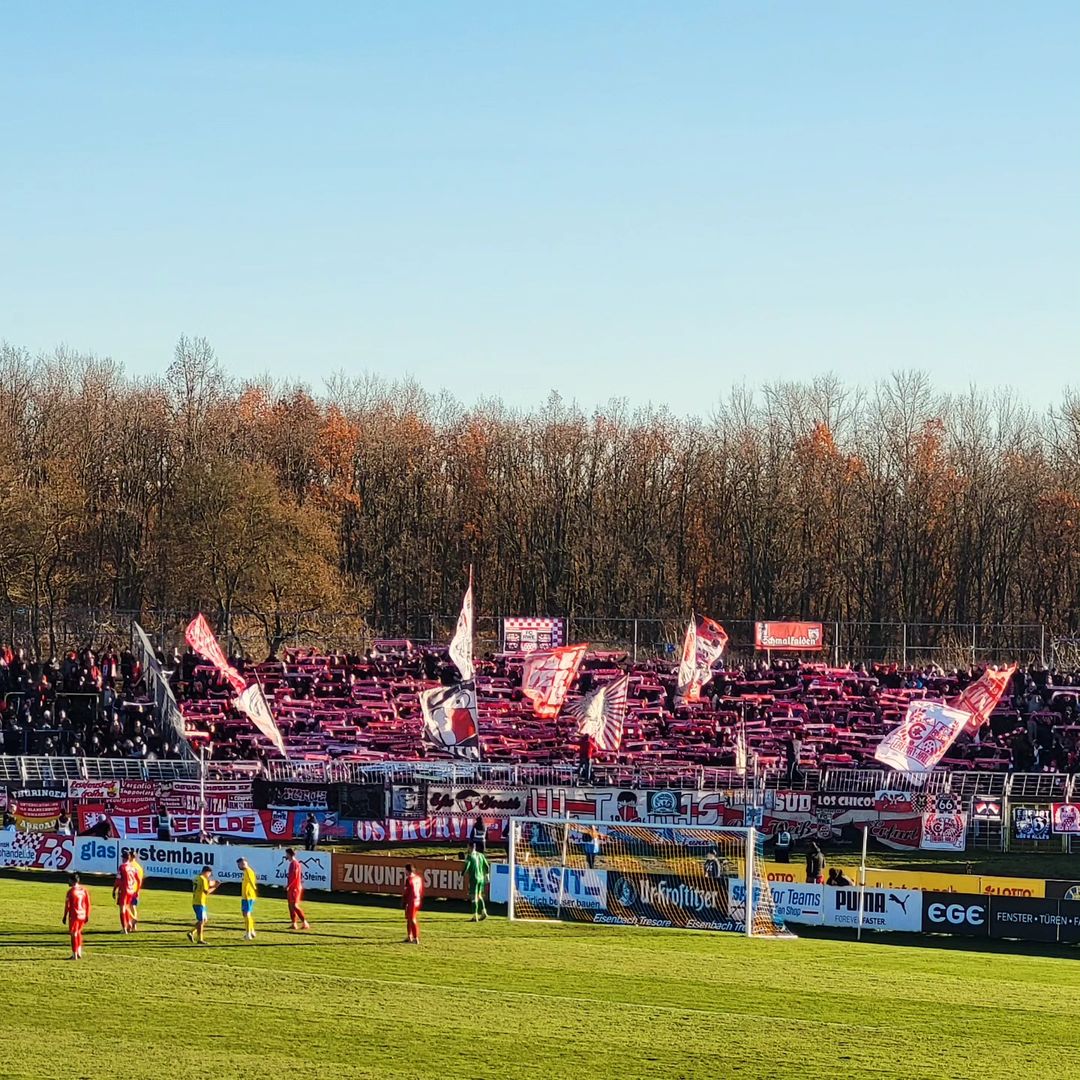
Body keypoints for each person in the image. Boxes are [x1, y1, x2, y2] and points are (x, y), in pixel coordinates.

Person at [62, 872, 91, 960]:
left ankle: (74, 955)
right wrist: (87, 915)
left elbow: (67, 905)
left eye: (69, 880)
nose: (68, 882)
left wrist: (64, 916)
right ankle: (79, 952)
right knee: (78, 932)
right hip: (82, 914)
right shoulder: (84, 890)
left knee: (73, 933)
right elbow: (88, 903)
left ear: (72, 880)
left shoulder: (70, 892)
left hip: (74, 915)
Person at [187, 865, 219, 944]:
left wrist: (213, 883)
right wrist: (215, 887)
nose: (209, 876)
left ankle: (191, 932)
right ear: (207, 872)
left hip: (196, 901)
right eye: (209, 874)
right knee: (201, 921)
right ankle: (199, 939)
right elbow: (206, 891)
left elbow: (206, 884)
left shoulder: (197, 878)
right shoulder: (203, 879)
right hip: (200, 902)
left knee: (204, 920)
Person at [112, 851, 141, 933]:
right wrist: (137, 890)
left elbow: (118, 880)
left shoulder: (122, 867)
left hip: (124, 890)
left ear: (123, 858)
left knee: (122, 909)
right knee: (127, 907)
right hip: (131, 890)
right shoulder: (133, 867)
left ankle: (125, 928)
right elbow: (138, 880)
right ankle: (129, 925)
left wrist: (114, 890)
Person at [284, 848, 310, 930]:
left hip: (294, 888)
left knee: (294, 905)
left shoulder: (294, 864)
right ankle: (294, 923)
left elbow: (294, 876)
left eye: (286, 854)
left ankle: (305, 922)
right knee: (290, 906)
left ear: (289, 854)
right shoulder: (295, 863)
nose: (286, 856)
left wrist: (289, 885)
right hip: (294, 887)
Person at [464, 842, 489, 921]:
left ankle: (475, 916)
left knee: (473, 897)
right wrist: (487, 875)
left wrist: (462, 874)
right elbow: (487, 866)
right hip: (481, 878)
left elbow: (467, 866)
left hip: (474, 878)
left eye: (467, 846)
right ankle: (484, 912)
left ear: (469, 847)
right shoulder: (481, 855)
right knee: (479, 896)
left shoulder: (470, 856)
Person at [237, 857, 258, 940]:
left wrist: (254, 889)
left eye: (241, 864)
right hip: (247, 896)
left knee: (247, 914)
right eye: (239, 864)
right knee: (246, 914)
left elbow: (251, 882)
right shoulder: (247, 871)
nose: (240, 866)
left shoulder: (248, 871)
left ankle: (248, 934)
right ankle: (252, 931)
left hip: (248, 896)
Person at [402, 862, 424, 944]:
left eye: (405, 870)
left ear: (407, 870)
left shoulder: (408, 879)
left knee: (412, 918)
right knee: (409, 918)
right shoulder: (418, 878)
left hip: (411, 901)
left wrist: (404, 901)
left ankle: (415, 938)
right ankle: (409, 936)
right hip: (417, 900)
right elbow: (420, 890)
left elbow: (406, 892)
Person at [129, 852, 146, 930]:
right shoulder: (139, 867)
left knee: (127, 907)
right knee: (133, 907)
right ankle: (134, 926)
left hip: (130, 888)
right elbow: (140, 879)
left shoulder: (131, 866)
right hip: (136, 889)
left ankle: (130, 924)